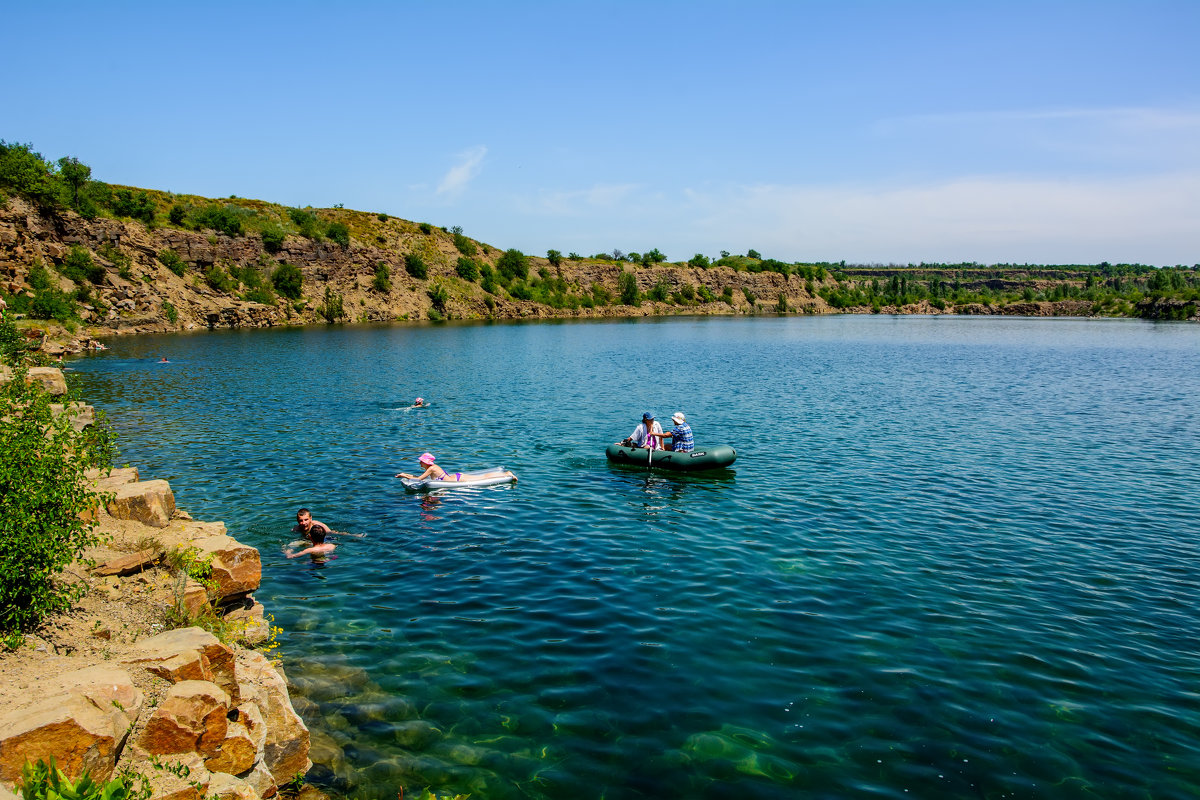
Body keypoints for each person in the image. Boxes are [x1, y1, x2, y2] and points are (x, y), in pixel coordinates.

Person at [395, 452, 516, 482]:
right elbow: (419, 477)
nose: (419, 463)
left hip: (458, 479)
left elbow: (419, 479)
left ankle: (507, 474)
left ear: (426, 462)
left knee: (483, 477)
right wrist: (403, 474)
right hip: (456, 477)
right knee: (482, 476)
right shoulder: (430, 468)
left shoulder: (431, 468)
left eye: (421, 461)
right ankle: (505, 473)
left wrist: (404, 475)